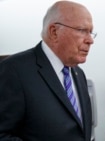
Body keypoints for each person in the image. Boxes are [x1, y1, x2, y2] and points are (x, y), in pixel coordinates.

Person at [0, 1, 96, 141]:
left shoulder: (78, 74)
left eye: (91, 32)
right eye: (82, 30)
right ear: (54, 32)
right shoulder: (14, 71)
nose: (90, 40)